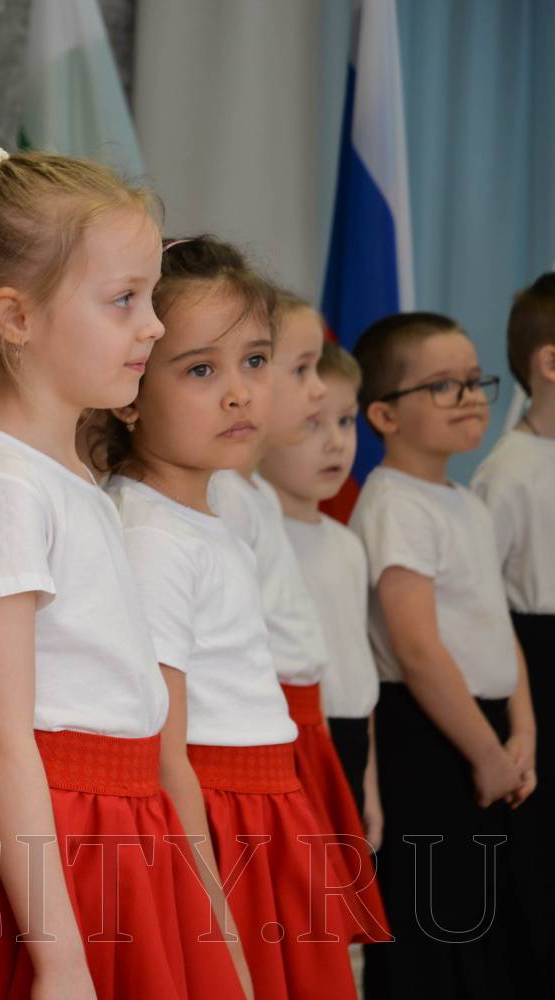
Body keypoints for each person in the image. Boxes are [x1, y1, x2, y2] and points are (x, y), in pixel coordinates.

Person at [0, 144, 249, 1000]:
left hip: (126, 822)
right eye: (124, 299)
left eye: (150, 298)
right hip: (58, 837)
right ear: (16, 317)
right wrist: (58, 958)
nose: (154, 326)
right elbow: (1, 737)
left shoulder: (68, 479)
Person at [107, 236, 363, 1000]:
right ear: (129, 390)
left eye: (254, 361)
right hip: (220, 823)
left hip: (269, 803)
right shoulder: (151, 536)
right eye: (200, 370)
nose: (240, 394)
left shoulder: (214, 508)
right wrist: (214, 921)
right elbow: (165, 754)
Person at [349, 312, 534, 999]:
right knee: (433, 928)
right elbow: (417, 648)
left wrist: (523, 730)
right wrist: (486, 753)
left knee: (481, 928)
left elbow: (497, 625)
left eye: (474, 380)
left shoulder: (464, 501)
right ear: (384, 415)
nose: (471, 398)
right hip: (428, 734)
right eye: (443, 386)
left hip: (483, 730)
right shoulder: (396, 505)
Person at [471, 271, 555, 992]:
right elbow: (487, 609)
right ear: (553, 362)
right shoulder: (508, 473)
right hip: (544, 679)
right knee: (548, 868)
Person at [258, 342, 382, 832]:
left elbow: (359, 672)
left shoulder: (347, 545)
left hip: (350, 744)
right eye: (313, 424)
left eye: (346, 421)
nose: (336, 443)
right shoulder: (260, 537)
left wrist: (369, 783)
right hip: (292, 743)